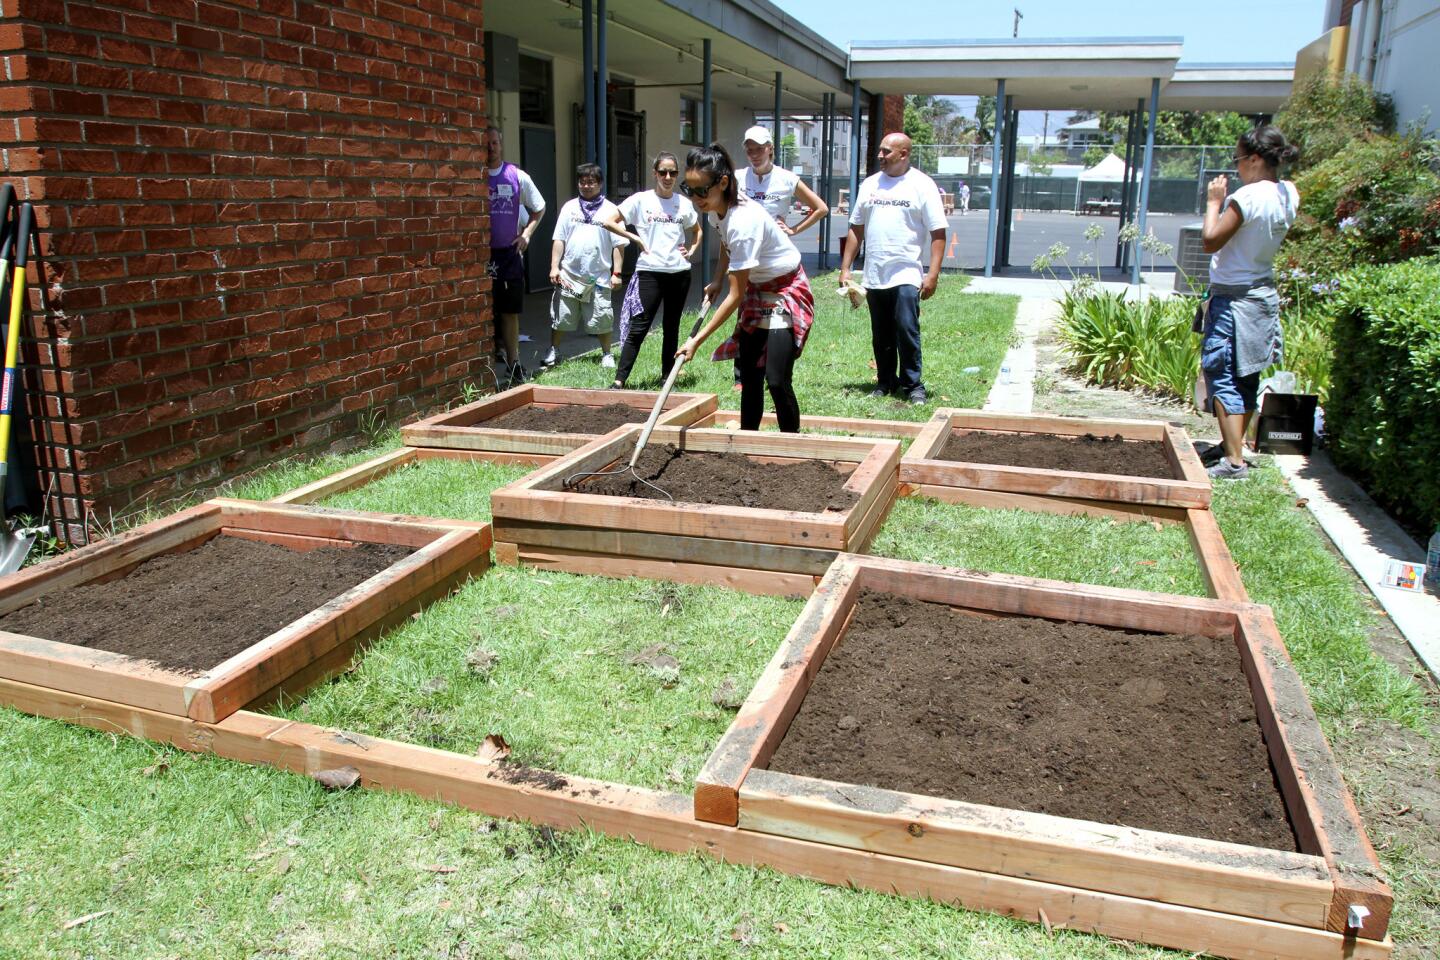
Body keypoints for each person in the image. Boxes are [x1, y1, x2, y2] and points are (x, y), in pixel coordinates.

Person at [677, 143, 814, 433]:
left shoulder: (744, 221)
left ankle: (791, 446)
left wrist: (696, 341)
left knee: (776, 380)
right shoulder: (717, 209)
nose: (696, 198)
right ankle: (746, 442)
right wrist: (717, 278)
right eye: (689, 190)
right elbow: (728, 246)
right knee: (750, 377)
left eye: (701, 190)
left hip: (786, 290)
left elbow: (735, 296)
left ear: (723, 182)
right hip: (757, 286)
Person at [1199, 124, 1300, 481]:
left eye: (1239, 159)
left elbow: (1211, 240)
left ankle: (1234, 464)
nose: (1237, 166)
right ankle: (1232, 449)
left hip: (1234, 298)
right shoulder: (1288, 193)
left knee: (1222, 371)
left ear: (1256, 159)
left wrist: (1214, 202)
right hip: (1262, 295)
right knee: (1246, 375)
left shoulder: (1249, 197)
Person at [709, 126, 829, 388]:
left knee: (775, 329)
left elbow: (820, 208)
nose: (754, 154)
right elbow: (725, 233)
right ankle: (743, 377)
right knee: (746, 316)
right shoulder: (737, 178)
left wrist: (795, 229)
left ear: (770, 148)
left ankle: (777, 371)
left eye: (759, 148)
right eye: (749, 149)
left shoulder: (787, 179)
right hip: (746, 257)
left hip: (775, 261)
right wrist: (718, 277)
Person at [839, 132, 947, 405]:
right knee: (882, 333)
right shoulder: (870, 184)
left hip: (906, 272)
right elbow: (856, 228)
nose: (880, 156)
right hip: (875, 273)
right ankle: (885, 381)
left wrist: (932, 274)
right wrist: (846, 268)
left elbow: (938, 232)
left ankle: (913, 385)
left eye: (886, 151)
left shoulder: (922, 185)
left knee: (906, 329)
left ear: (903, 154)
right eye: (880, 150)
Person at [605, 152, 700, 388]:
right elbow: (609, 221)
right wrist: (634, 238)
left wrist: (692, 249)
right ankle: (619, 380)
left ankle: (667, 376)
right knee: (639, 326)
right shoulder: (640, 200)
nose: (668, 177)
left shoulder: (683, 203)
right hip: (650, 272)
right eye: (663, 172)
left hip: (679, 273)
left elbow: (697, 230)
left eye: (673, 173)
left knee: (672, 326)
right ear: (655, 174)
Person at [545, 163, 626, 371]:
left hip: (598, 276)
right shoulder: (569, 208)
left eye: (591, 182)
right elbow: (559, 239)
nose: (586, 186)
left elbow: (619, 245)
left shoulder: (611, 210)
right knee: (561, 317)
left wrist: (616, 273)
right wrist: (554, 267)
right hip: (569, 275)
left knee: (602, 317)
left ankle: (607, 354)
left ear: (599, 183)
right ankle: (554, 350)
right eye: (582, 181)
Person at [484, 126, 546, 386]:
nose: (490, 148)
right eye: (485, 144)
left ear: (501, 144)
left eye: (494, 143)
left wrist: (527, 234)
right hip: (481, 254)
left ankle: (514, 364)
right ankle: (485, 368)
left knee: (509, 312)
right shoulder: (472, 175)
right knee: (486, 312)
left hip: (508, 254)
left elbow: (539, 208)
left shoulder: (516, 176)